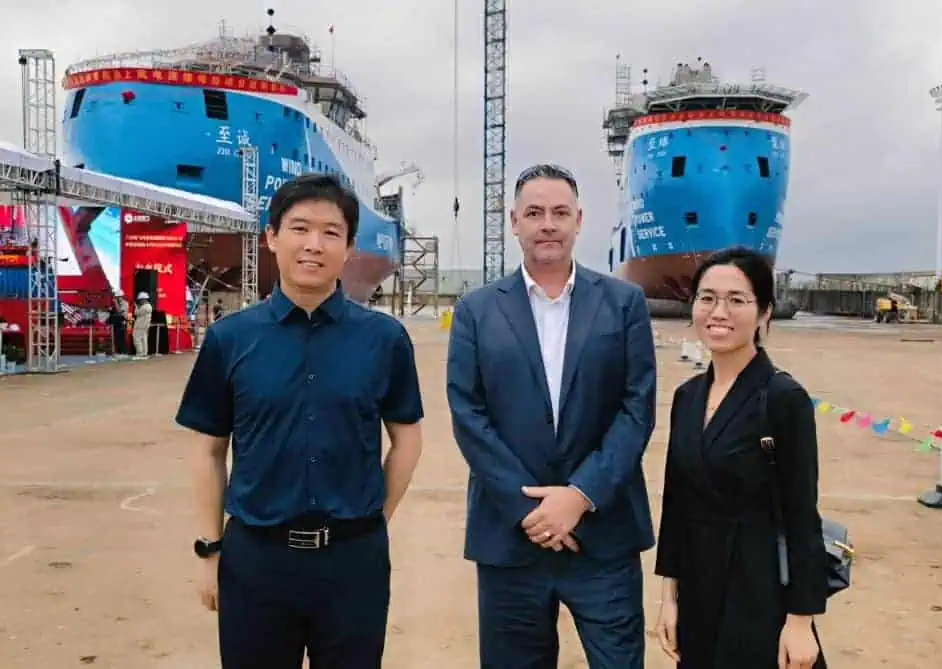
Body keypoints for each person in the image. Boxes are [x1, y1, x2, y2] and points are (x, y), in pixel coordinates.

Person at [174, 173, 425, 669]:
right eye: (300, 228)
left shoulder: (385, 339)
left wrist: (373, 520)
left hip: (353, 562)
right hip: (257, 561)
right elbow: (207, 451)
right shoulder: (229, 339)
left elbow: (407, 441)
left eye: (331, 232)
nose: (314, 245)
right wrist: (210, 552)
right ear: (272, 237)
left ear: (350, 247)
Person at [446, 163, 657, 669]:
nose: (548, 224)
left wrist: (581, 495)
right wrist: (531, 512)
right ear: (514, 221)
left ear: (579, 220)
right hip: (509, 539)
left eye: (560, 213)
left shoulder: (624, 303)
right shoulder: (476, 310)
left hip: (603, 538)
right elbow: (468, 415)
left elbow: (637, 407)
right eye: (535, 213)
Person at [653, 246, 828, 669]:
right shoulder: (687, 397)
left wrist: (801, 621)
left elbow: (802, 515)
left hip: (759, 593)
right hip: (697, 589)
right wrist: (668, 597)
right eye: (708, 298)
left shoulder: (784, 399)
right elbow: (676, 503)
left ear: (764, 313)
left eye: (737, 300)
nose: (719, 311)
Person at [132, 292, 152, 358]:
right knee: (143, 339)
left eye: (140, 300)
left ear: (143, 299)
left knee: (136, 338)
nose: (139, 301)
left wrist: (136, 306)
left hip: (140, 325)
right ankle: (144, 353)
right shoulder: (149, 306)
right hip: (145, 325)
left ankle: (140, 353)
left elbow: (136, 313)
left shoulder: (144, 307)